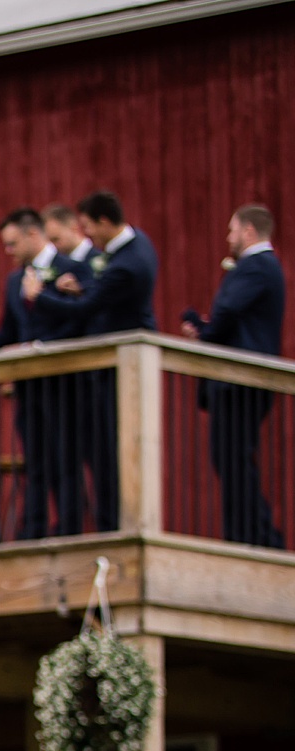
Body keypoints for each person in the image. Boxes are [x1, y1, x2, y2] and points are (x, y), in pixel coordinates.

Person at [0, 208, 93, 540]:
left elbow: (80, 324)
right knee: (35, 460)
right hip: (28, 386)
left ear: (35, 235)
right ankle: (32, 530)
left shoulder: (72, 269)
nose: (9, 251)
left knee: (65, 459)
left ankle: (69, 529)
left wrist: (38, 345)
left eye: (13, 243)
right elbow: (9, 332)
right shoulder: (15, 280)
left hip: (64, 382)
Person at [28, 190, 159, 533]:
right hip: (112, 368)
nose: (88, 235)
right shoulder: (137, 245)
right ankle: (109, 522)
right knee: (104, 453)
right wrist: (83, 287)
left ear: (104, 221)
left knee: (110, 455)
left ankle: (114, 525)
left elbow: (90, 310)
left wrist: (41, 297)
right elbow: (101, 296)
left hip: (118, 371)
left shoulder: (126, 265)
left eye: (89, 227)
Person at [182, 204, 286, 548]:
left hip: (240, 379)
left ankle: (255, 538)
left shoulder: (257, 266)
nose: (228, 237)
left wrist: (204, 331)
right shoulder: (261, 268)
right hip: (240, 380)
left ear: (249, 232)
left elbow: (228, 310)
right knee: (231, 459)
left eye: (232, 230)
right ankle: (248, 535)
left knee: (233, 458)